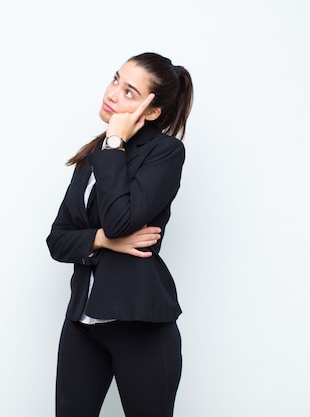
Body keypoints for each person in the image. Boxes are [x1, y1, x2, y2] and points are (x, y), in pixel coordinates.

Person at [46, 52, 194, 417]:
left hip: (139, 324)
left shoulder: (165, 152)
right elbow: (58, 239)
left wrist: (114, 143)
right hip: (82, 323)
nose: (113, 93)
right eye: (116, 80)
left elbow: (119, 221)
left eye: (129, 92)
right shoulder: (93, 156)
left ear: (153, 110)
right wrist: (102, 241)